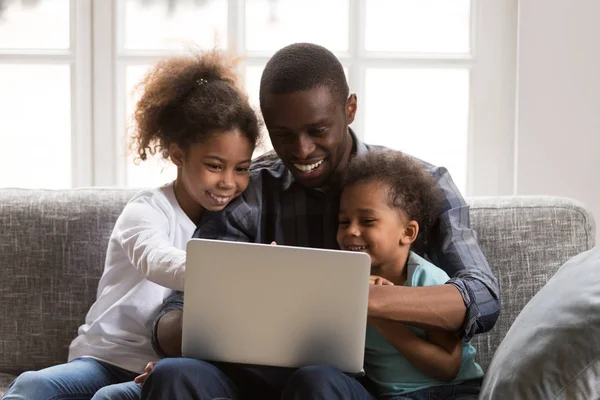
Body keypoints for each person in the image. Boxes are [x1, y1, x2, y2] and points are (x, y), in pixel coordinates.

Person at [140, 42, 499, 399]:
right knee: (174, 375)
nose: (302, 150)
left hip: (355, 388)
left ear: (350, 109)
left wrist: (358, 299)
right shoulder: (250, 191)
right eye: (283, 135)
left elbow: (481, 297)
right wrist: (227, 310)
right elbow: (173, 317)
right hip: (263, 378)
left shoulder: (421, 186)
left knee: (316, 381)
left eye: (318, 130)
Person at [1, 50, 260, 400]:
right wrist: (232, 272)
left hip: (159, 370)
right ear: (179, 155)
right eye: (215, 166)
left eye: (241, 168)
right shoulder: (147, 209)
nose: (228, 182)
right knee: (35, 385)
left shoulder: (237, 225)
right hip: (102, 358)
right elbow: (154, 259)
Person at [338, 151, 484, 399]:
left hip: (447, 392)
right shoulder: (342, 280)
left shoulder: (427, 281)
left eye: (368, 221)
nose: (352, 231)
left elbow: (447, 368)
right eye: (343, 222)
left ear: (407, 232)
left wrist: (378, 316)